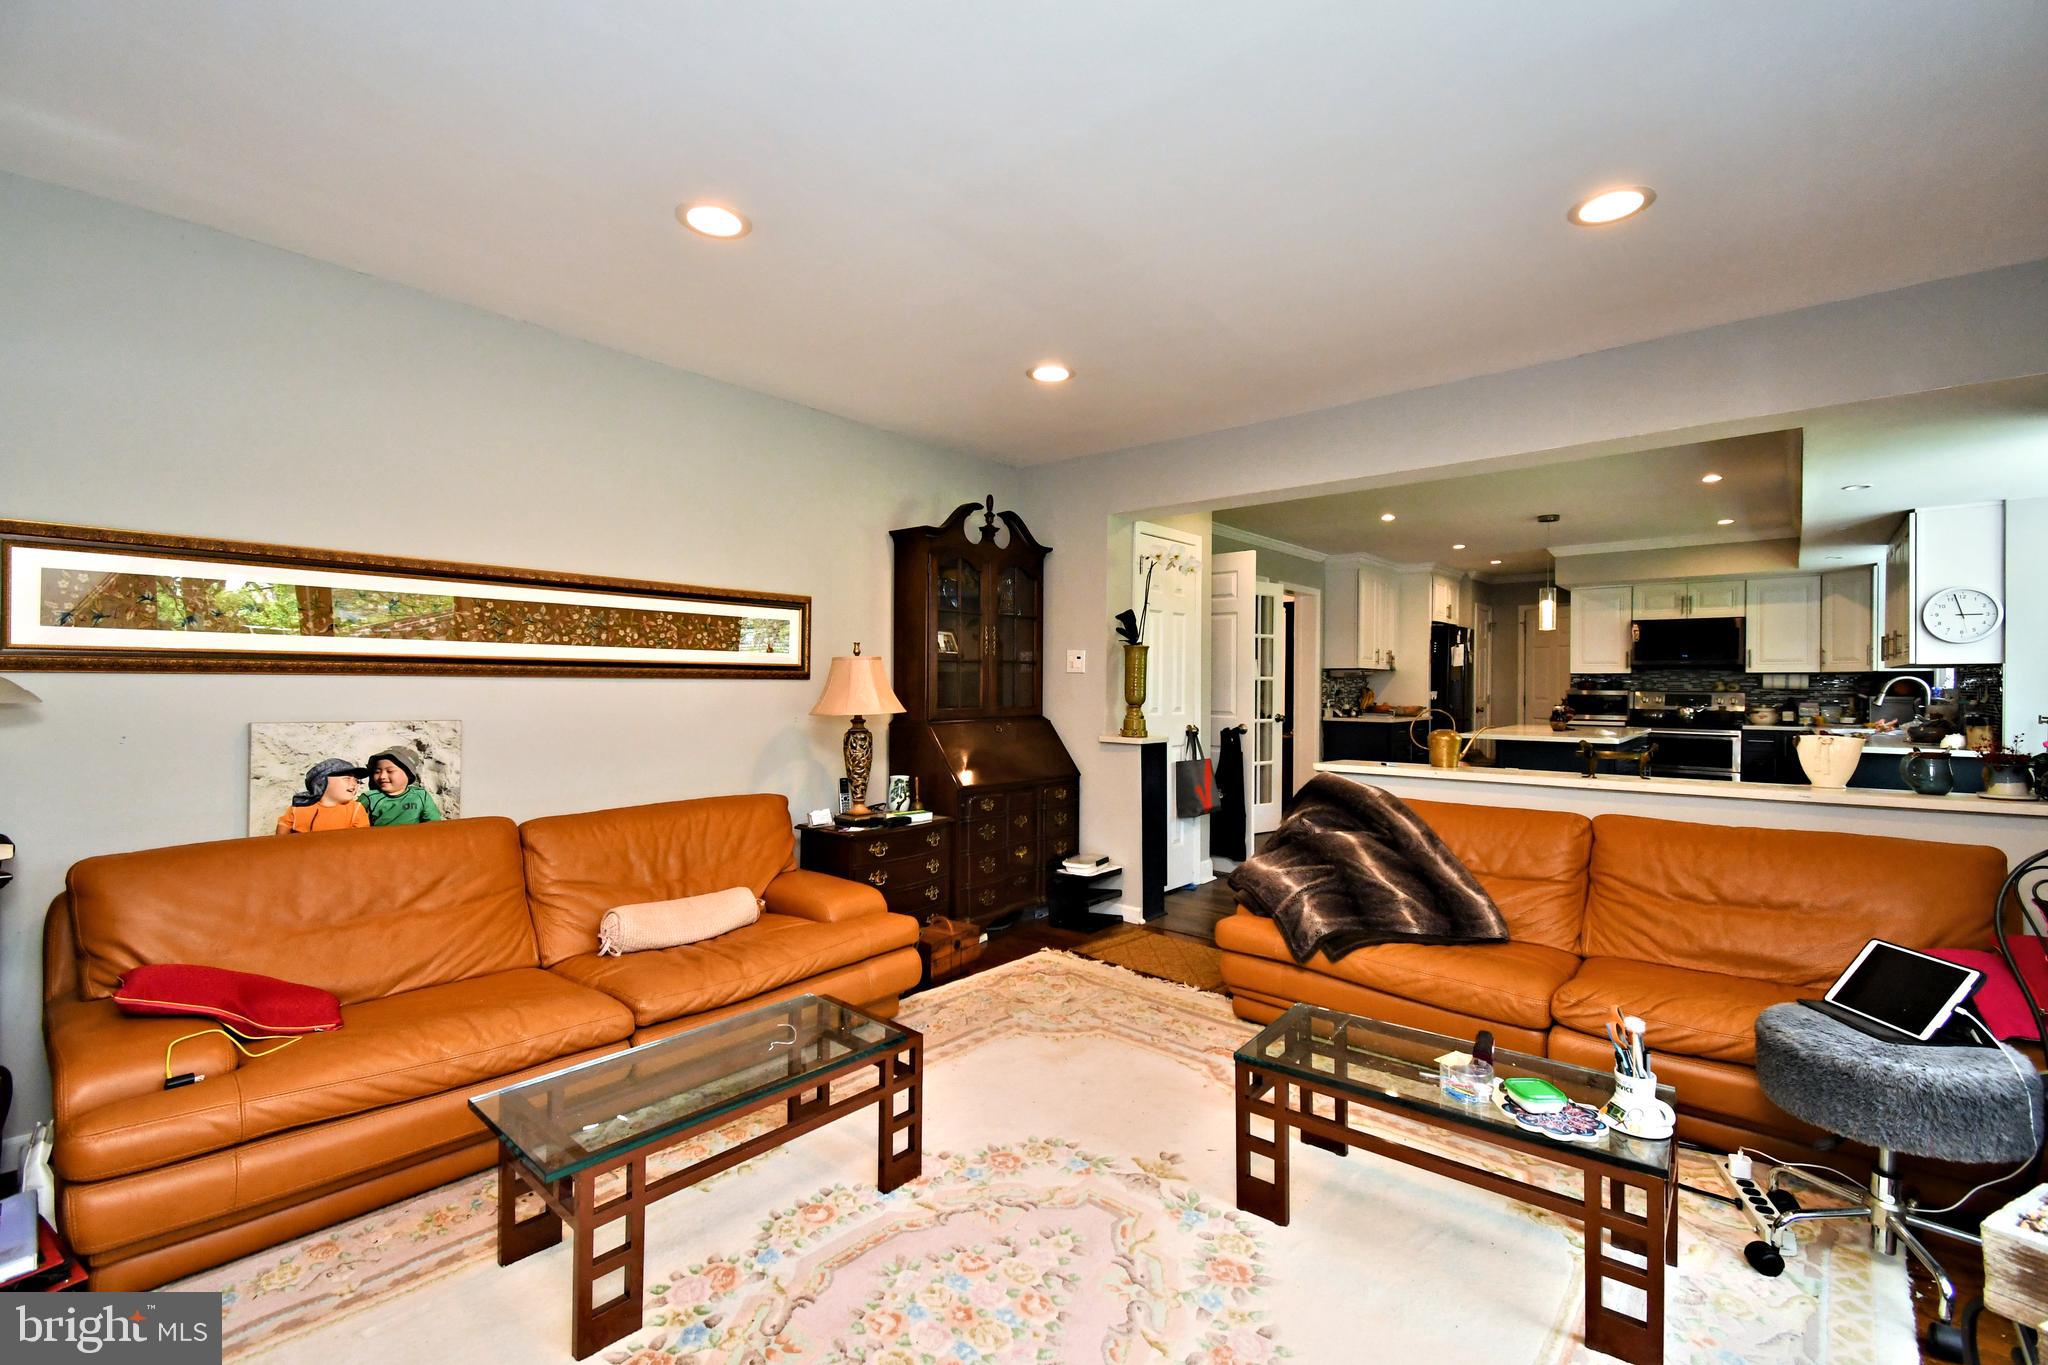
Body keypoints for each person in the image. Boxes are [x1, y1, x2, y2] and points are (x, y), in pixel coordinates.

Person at [276, 759, 372, 834]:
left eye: (356, 780)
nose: (354, 784)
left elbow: (360, 841)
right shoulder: (299, 808)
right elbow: (281, 839)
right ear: (322, 782)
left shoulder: (355, 810)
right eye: (347, 778)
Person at [360, 743, 444, 826]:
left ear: (408, 774)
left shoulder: (420, 796)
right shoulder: (369, 798)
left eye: (390, 771)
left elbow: (433, 825)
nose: (382, 776)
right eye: (377, 772)